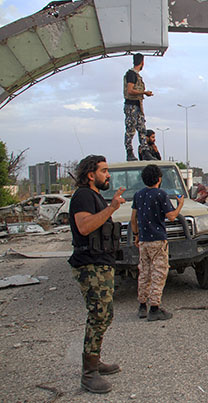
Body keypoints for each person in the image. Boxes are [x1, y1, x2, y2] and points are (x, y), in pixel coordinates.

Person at [68, 155, 126, 394]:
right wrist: (112, 207)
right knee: (98, 316)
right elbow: (84, 226)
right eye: (103, 171)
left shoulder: (94, 196)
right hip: (89, 265)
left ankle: (94, 360)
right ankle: (89, 373)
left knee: (105, 314)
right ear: (91, 175)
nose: (108, 175)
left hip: (101, 263)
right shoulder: (83, 195)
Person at [131, 164, 184, 321]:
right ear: (159, 179)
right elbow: (172, 216)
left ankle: (142, 305)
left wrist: (136, 235)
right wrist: (180, 204)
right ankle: (154, 307)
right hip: (158, 240)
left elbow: (133, 218)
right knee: (159, 273)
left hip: (143, 240)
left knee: (144, 272)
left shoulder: (138, 195)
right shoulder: (160, 194)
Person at [124, 53, 154, 162]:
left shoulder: (136, 75)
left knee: (142, 129)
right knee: (130, 130)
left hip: (137, 105)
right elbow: (130, 90)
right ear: (142, 62)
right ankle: (129, 152)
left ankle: (145, 151)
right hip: (131, 105)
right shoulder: (131, 74)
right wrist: (144, 92)